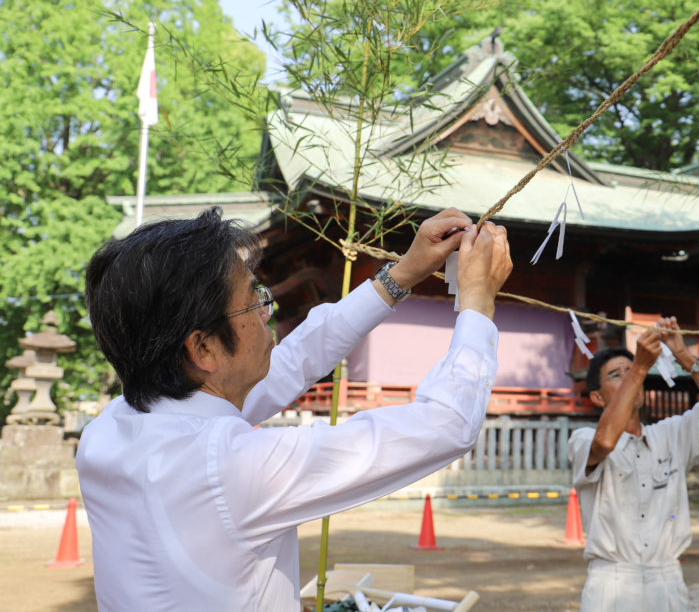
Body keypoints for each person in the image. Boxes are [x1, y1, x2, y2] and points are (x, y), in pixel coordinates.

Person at [76, 205, 512, 610]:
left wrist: (402, 275)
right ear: (204, 347)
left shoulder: (109, 430)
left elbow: (292, 362)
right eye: (254, 299)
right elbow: (445, 424)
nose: (269, 311)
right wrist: (478, 301)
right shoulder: (230, 467)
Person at [568, 317, 699, 611]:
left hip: (667, 579)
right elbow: (605, 442)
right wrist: (640, 367)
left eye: (630, 371)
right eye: (616, 375)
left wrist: (683, 355)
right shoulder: (582, 439)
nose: (628, 377)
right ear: (596, 397)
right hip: (613, 580)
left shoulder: (671, 434)